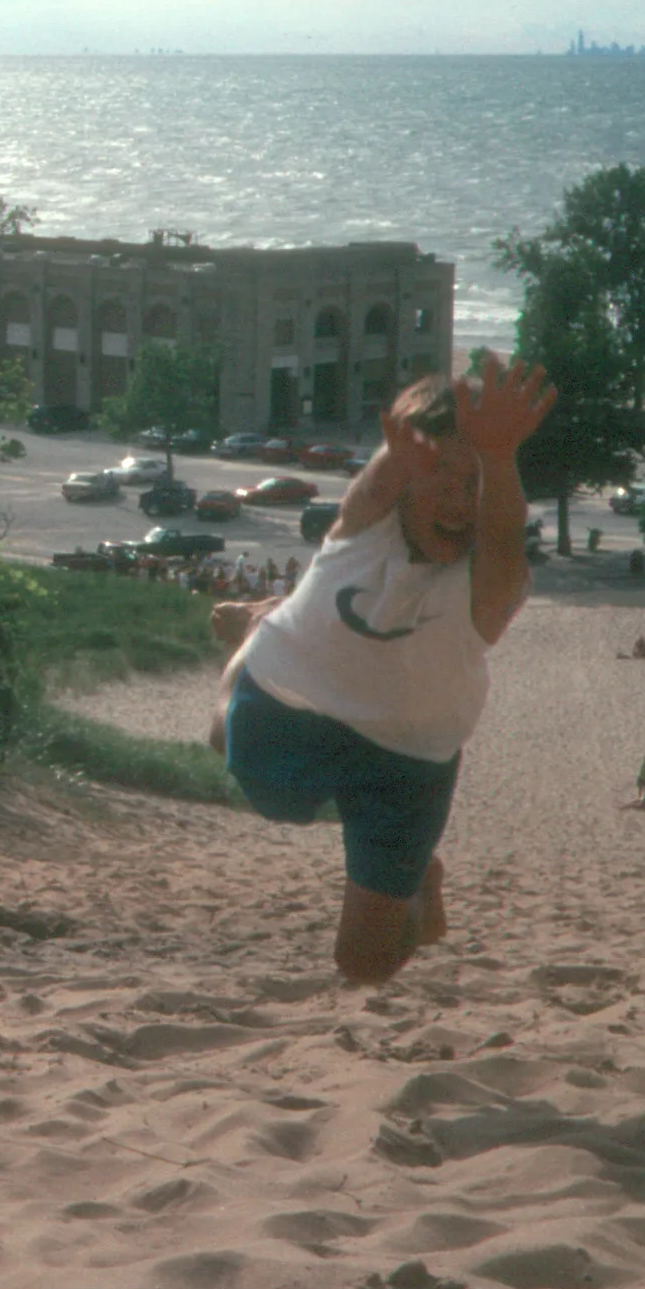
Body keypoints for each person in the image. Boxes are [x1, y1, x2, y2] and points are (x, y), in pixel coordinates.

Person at [206, 357, 556, 985]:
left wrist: (500, 454)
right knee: (240, 762)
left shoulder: (492, 585)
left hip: (409, 757)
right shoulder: (365, 528)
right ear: (405, 480)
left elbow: (503, 535)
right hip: (294, 696)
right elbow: (372, 484)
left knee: (363, 968)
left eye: (475, 480)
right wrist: (397, 456)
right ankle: (256, 627)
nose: (457, 495)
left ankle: (421, 881)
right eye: (439, 473)